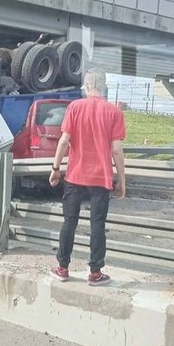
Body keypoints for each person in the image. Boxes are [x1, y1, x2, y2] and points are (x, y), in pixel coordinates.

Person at [49, 68, 126, 286]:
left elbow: (64, 141)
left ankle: (63, 268)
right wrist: (122, 179)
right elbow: (117, 149)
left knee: (69, 222)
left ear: (86, 86)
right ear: (104, 86)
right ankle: (95, 272)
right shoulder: (114, 112)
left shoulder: (74, 107)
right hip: (101, 178)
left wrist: (56, 168)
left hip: (75, 176)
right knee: (97, 225)